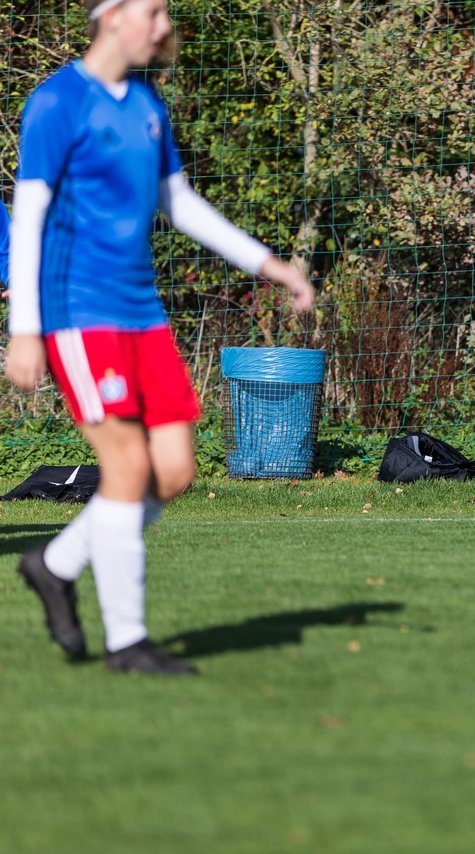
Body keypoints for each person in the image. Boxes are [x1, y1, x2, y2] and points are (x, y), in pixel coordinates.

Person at [4, 0, 315, 674]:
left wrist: (268, 264)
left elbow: (178, 202)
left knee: (172, 472)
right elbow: (27, 219)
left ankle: (54, 565)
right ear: (110, 15)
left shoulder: (146, 106)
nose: (163, 25)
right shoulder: (56, 103)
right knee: (127, 467)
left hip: (142, 315)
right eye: (153, 11)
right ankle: (128, 642)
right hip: (77, 314)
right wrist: (24, 329)